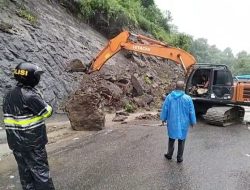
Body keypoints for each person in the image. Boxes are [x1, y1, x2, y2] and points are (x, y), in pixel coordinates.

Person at [3, 63, 55, 190]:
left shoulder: (8, 95)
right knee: (40, 173)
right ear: (31, 78)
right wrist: (42, 98)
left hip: (16, 143)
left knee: (25, 173)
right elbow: (48, 112)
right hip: (33, 143)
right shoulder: (30, 96)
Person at [160, 81, 196, 163]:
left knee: (171, 139)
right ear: (183, 88)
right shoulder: (188, 98)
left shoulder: (169, 97)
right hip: (183, 123)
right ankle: (179, 158)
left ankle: (169, 154)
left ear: (175, 87)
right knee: (181, 140)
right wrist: (192, 121)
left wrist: (163, 119)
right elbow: (191, 111)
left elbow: (165, 109)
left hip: (172, 122)